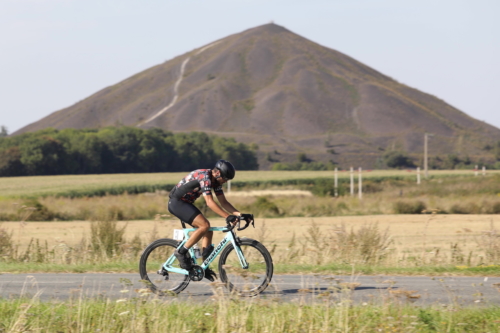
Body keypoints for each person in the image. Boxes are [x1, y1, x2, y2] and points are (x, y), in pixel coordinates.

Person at [168, 159, 244, 282]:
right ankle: (181, 252)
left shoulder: (216, 182)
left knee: (208, 231)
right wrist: (227, 216)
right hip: (177, 202)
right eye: (225, 179)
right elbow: (209, 202)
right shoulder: (205, 177)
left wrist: (240, 215)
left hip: (186, 203)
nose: (225, 182)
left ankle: (204, 267)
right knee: (204, 226)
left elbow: (224, 202)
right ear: (218, 173)